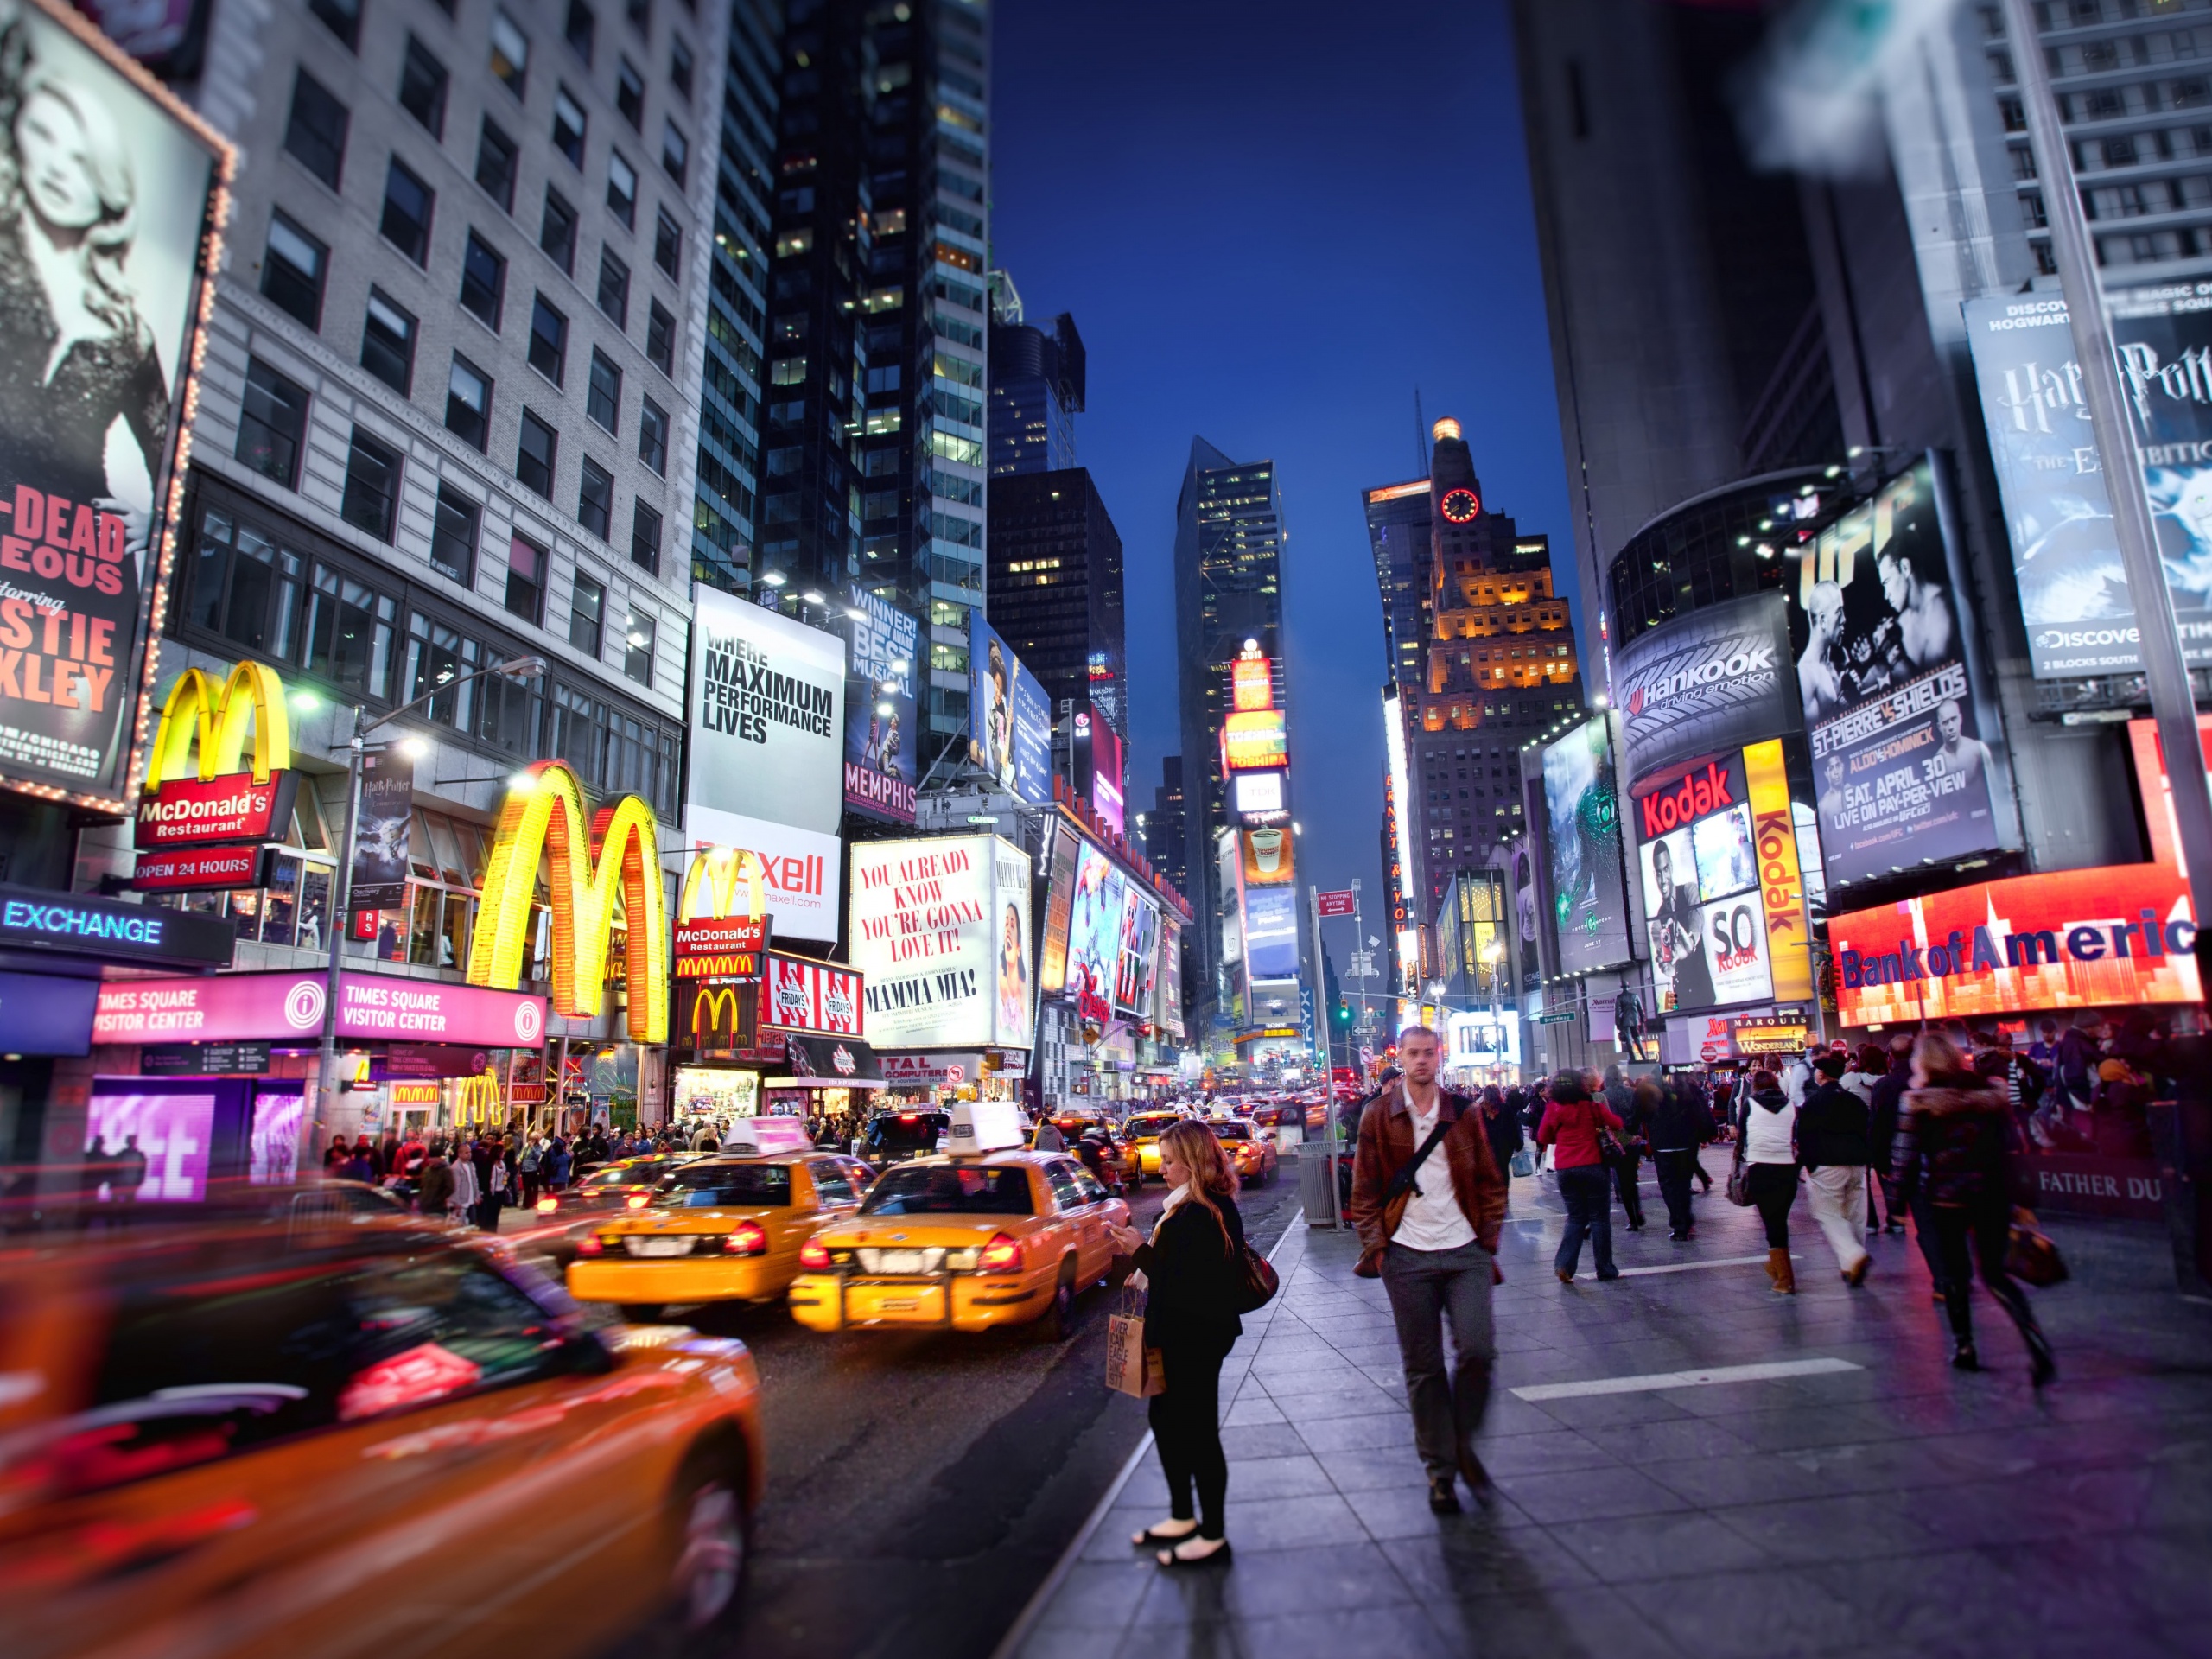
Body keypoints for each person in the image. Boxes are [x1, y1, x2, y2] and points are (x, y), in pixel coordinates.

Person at [1344, 1025, 1508, 1516]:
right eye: (1413, 1053)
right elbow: (1364, 1191)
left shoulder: (1463, 1113)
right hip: (1406, 1256)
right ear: (1402, 1057)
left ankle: (1460, 1439)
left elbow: (1489, 1179)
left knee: (1478, 1350)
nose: (1421, 1061)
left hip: (1465, 1252)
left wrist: (1488, 1240)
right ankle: (1441, 1472)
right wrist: (1378, 1249)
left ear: (1439, 1057)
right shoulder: (1378, 1115)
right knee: (1424, 1369)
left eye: (1428, 1053)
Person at [1107, 1119, 1247, 1567]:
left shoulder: (1202, 1212)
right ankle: (1183, 1516)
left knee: (1198, 1432)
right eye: (1162, 1160)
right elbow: (1176, 1271)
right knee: (1166, 1420)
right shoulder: (1187, 1207)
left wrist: (1140, 1252)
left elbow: (1189, 1285)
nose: (1161, 1168)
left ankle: (1213, 1535)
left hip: (1197, 1336)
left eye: (1169, 1161)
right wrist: (1146, 1265)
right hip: (1177, 1332)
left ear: (1191, 1163)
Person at [1894, 1033, 2056, 1383]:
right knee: (1996, 1274)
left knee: (1954, 1275)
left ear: (1922, 1062)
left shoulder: (1919, 1100)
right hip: (1991, 1194)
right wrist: (2020, 1196)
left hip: (1944, 1196)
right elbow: (2010, 1145)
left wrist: (1896, 1202)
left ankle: (1964, 1345)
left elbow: (1904, 1154)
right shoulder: (1990, 1094)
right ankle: (2034, 1339)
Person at [1536, 1071, 1623, 1286]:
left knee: (1575, 1217)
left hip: (1566, 1169)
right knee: (1600, 1219)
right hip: (1594, 1166)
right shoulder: (1593, 1107)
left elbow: (1543, 1137)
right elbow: (1617, 1123)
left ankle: (1565, 1265)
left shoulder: (1553, 1109)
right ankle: (1605, 1269)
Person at [1796, 1054, 1873, 1285]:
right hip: (1857, 1162)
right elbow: (1867, 1130)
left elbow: (1804, 1136)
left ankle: (1853, 1255)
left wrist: (1807, 1165)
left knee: (1828, 1213)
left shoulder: (1814, 1103)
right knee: (1855, 1213)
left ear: (1820, 1075)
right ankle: (1850, 1265)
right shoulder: (1854, 1100)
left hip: (1827, 1164)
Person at [1739, 1068, 1801, 1294]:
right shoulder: (1790, 1104)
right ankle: (1778, 1269)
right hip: (1787, 1170)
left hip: (1760, 1168)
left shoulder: (1750, 1103)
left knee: (1771, 1222)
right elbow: (1796, 1133)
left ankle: (1785, 1279)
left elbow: (1744, 1135)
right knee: (1780, 1220)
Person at [1648, 1077, 1711, 1241]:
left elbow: (1641, 1113)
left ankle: (1679, 1224)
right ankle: (1686, 1221)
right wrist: (1705, 1135)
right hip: (1686, 1143)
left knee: (1669, 1185)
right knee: (1683, 1183)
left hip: (1663, 1144)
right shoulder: (1690, 1087)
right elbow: (1702, 1112)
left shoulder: (1651, 1087)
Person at [416, 1153, 454, 1221]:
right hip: (425, 1205)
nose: (431, 1160)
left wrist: (438, 1199)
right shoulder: (427, 1170)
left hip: (438, 1208)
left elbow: (450, 1188)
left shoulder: (445, 1171)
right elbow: (422, 1186)